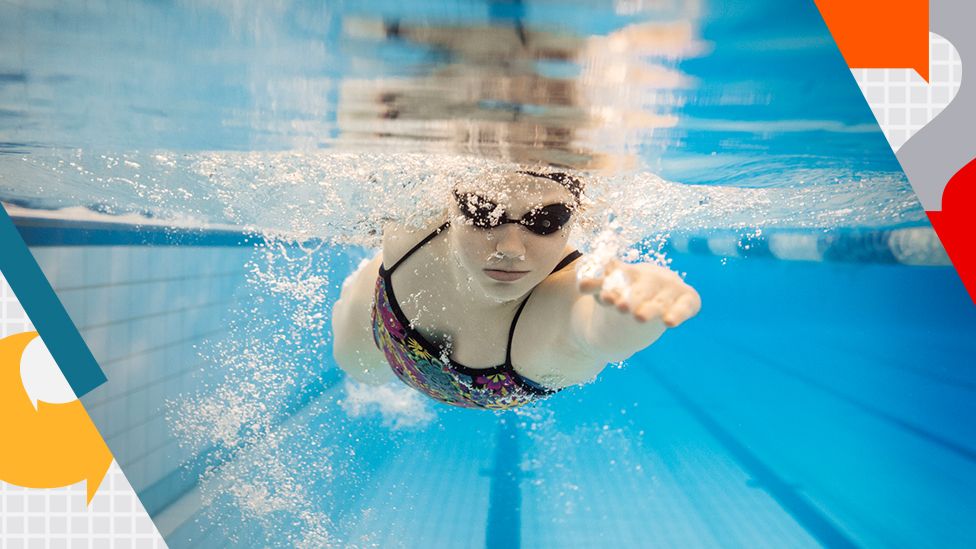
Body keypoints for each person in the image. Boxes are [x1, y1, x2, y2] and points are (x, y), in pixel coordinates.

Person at [331, 170, 700, 410]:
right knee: (358, 367)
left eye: (546, 221)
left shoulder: (559, 301)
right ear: (451, 206)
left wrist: (632, 311)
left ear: (575, 218)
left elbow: (590, 328)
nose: (510, 247)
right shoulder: (416, 224)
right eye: (482, 212)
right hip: (380, 320)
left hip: (489, 372)